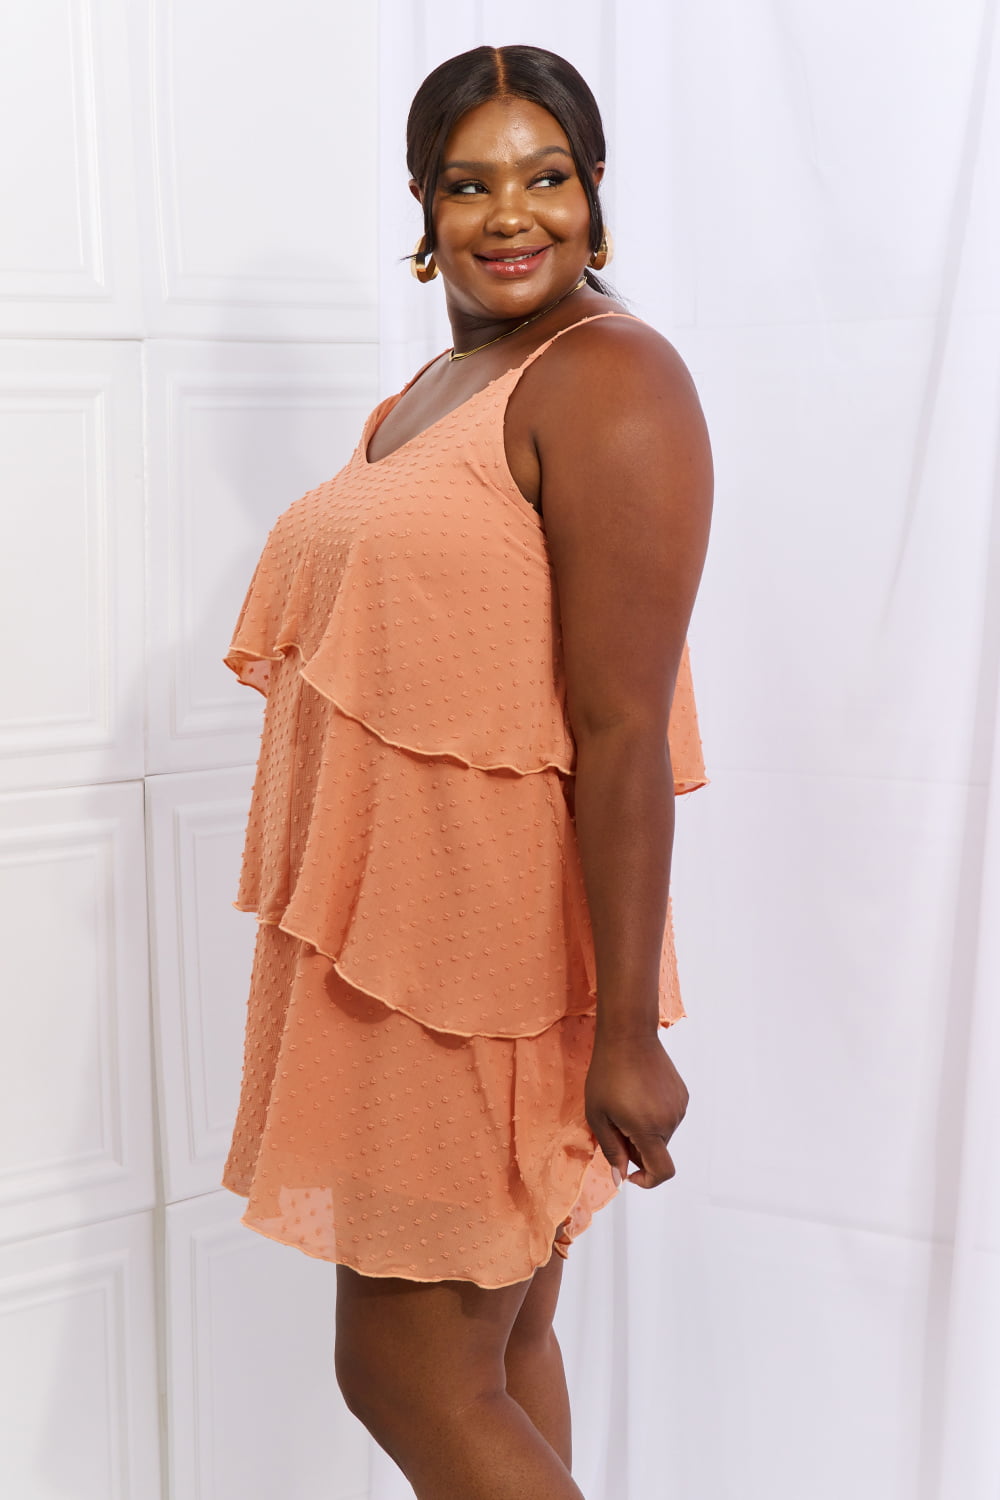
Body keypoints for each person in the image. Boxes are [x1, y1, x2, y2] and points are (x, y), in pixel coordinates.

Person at [220, 43, 712, 1500]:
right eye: (469, 183)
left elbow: (622, 729)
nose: (511, 215)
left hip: (484, 974)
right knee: (494, 1357)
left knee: (409, 1374)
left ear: (596, 192)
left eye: (546, 177)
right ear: (424, 206)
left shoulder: (610, 379)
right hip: (410, 954)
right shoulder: (440, 386)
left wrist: (627, 1033)